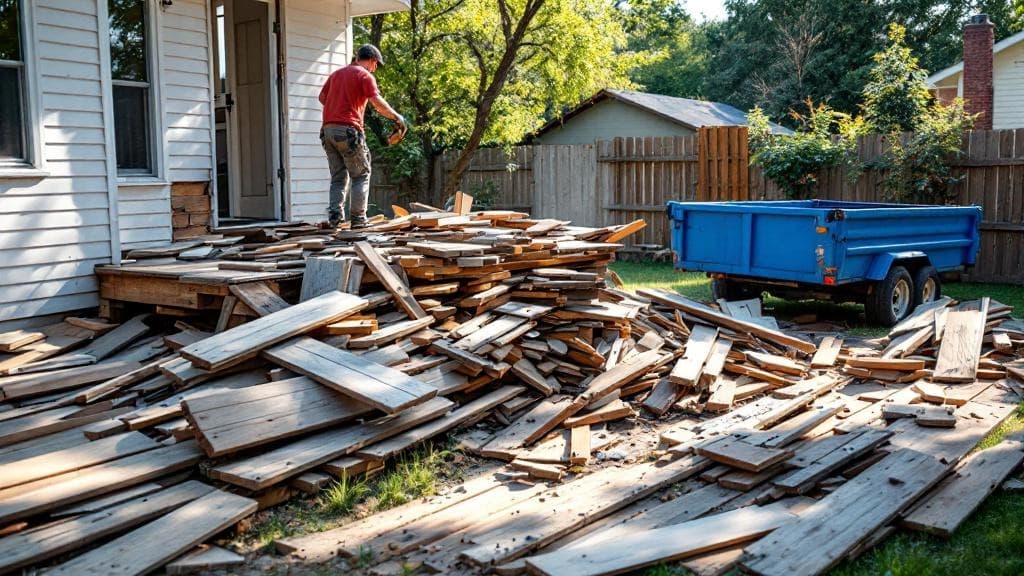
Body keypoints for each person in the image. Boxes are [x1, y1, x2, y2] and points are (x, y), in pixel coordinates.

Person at [318, 44, 406, 228]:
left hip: (327, 131)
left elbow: (322, 98)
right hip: (348, 130)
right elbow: (376, 102)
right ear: (373, 61)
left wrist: (340, 103)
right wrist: (397, 117)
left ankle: (335, 217)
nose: (375, 69)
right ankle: (358, 219)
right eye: (376, 65)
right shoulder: (365, 75)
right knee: (361, 175)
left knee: (338, 176)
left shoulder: (336, 75)